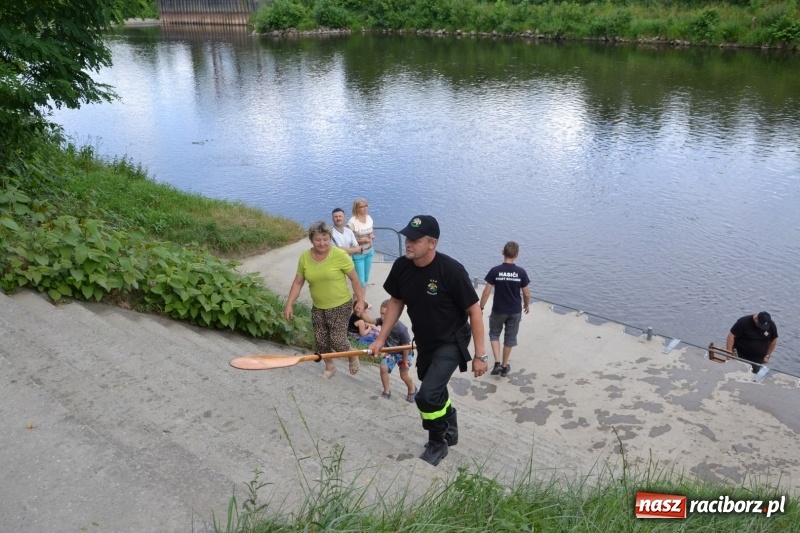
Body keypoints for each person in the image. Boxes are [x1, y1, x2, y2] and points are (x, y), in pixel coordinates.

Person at [368, 215, 487, 466]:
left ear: (432, 243)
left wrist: (480, 355)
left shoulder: (451, 270)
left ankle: (437, 443)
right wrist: (380, 338)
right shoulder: (402, 266)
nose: (408, 243)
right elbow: (396, 302)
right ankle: (450, 421)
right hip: (425, 340)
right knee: (434, 387)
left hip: (451, 340)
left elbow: (474, 311)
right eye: (407, 238)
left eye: (415, 240)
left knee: (426, 395)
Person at [284, 221, 366, 378]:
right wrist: (289, 304)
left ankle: (352, 354)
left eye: (325, 239)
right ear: (311, 240)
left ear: (330, 238)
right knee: (321, 341)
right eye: (317, 239)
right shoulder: (305, 257)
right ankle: (330, 366)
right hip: (319, 306)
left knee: (338, 341)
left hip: (340, 305)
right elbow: (298, 282)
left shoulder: (340, 255)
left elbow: (355, 279)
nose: (322, 243)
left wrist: (360, 301)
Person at [479, 241, 531, 378]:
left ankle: (496, 363)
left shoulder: (495, 271)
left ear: (502, 252)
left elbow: (486, 292)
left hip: (498, 310)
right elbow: (526, 293)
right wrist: (526, 305)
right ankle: (504, 366)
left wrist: (481, 307)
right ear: (517, 255)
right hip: (514, 310)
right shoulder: (521, 272)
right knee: (510, 338)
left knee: (494, 334)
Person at [374, 299, 417, 402]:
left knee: (403, 375)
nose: (382, 317)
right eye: (381, 313)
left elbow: (406, 346)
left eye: (385, 314)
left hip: (404, 354)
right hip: (392, 353)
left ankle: (412, 389)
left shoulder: (401, 329)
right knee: (383, 367)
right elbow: (370, 320)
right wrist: (361, 312)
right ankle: (387, 391)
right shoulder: (382, 321)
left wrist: (405, 361)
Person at [347, 197, 375, 299]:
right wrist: (362, 241)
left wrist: (372, 236)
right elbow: (349, 240)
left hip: (369, 251)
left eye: (365, 206)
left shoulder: (369, 218)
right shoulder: (352, 222)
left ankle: (361, 300)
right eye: (361, 207)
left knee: (366, 280)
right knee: (360, 281)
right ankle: (359, 303)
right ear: (356, 208)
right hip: (358, 254)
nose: (364, 208)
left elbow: (371, 232)